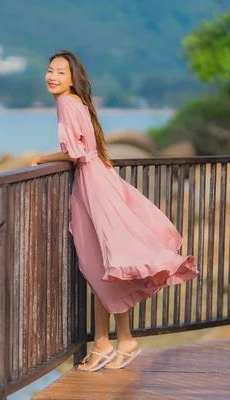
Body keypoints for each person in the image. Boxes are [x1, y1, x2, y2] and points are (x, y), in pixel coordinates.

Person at [31, 50, 198, 372]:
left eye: (60, 72)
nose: (52, 76)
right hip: (99, 181)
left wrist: (42, 159)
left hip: (93, 188)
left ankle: (108, 343)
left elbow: (77, 151)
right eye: (50, 70)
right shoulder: (79, 103)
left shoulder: (67, 103)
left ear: (73, 78)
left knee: (100, 267)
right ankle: (120, 340)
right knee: (108, 268)